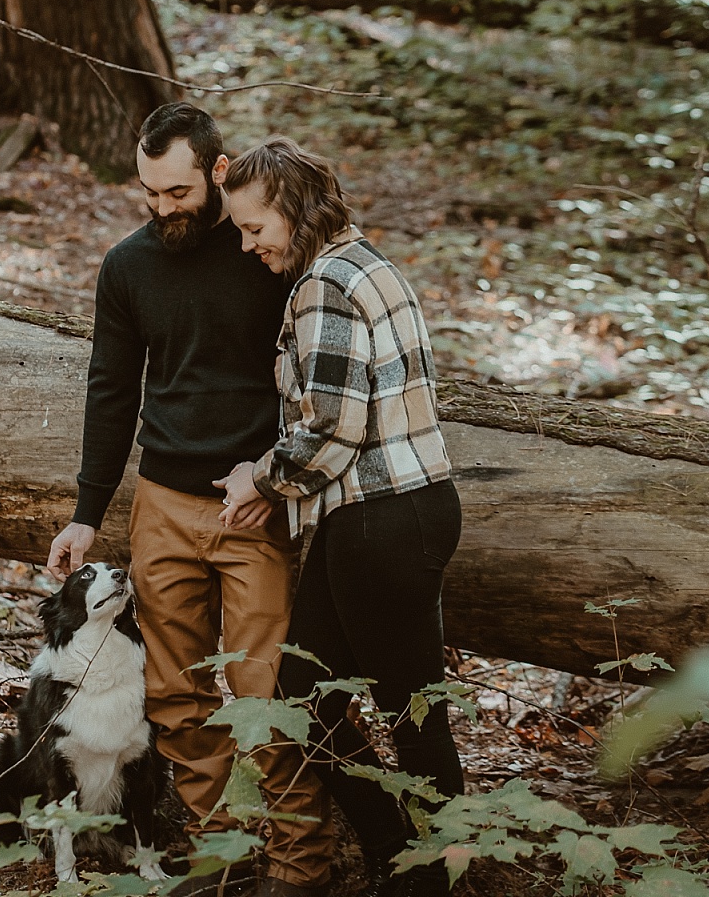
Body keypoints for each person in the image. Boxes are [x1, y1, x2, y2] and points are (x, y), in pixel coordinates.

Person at [46, 105, 335, 897]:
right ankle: (222, 851)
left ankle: (300, 864)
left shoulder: (265, 252)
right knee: (174, 695)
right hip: (162, 503)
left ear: (216, 171)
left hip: (255, 505)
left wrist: (277, 481)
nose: (162, 208)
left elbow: (314, 380)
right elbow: (111, 390)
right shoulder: (127, 265)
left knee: (265, 688)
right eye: (149, 193)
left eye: (176, 192)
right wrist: (85, 510)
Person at [215, 136, 464, 897]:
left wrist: (259, 478)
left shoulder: (325, 283)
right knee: (298, 697)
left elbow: (332, 427)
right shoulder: (366, 263)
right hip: (383, 516)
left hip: (382, 521)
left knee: (411, 714)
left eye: (257, 229)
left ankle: (435, 877)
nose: (251, 246)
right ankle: (397, 849)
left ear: (292, 207)